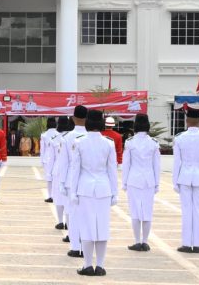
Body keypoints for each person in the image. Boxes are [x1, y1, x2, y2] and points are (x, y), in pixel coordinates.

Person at [70, 110, 117, 276]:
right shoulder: (109, 143)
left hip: (85, 189)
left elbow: (75, 169)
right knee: (102, 227)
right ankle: (101, 266)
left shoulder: (79, 142)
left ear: (88, 123)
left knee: (87, 226)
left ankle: (88, 265)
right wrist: (115, 193)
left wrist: (72, 192)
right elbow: (112, 170)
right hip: (104, 189)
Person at [173, 109, 199, 253]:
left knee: (186, 211)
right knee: (198, 211)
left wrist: (174, 182)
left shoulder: (180, 138)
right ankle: (197, 244)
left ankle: (186, 243)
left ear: (187, 121)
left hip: (184, 176)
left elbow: (177, 162)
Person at [122, 114, 160, 252]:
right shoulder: (154, 142)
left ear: (135, 125)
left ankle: (137, 241)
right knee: (147, 212)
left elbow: (126, 164)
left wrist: (124, 182)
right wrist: (157, 183)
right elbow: (157, 165)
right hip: (149, 180)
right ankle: (145, 241)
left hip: (134, 180)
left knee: (135, 212)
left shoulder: (130, 142)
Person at [60, 105, 88, 256]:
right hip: (87, 180)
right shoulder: (92, 135)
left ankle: (75, 247)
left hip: (71, 180)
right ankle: (86, 247)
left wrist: (62, 182)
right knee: (86, 214)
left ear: (73, 118)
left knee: (72, 213)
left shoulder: (67, 138)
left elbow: (63, 163)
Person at [51, 116, 71, 231]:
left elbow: (53, 157)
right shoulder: (71, 137)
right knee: (67, 198)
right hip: (68, 170)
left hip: (58, 169)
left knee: (58, 197)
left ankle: (60, 222)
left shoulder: (55, 138)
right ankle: (68, 223)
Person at [40, 117, 59, 203]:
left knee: (49, 177)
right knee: (55, 177)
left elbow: (42, 149)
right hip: (57, 158)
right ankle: (55, 195)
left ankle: (50, 196)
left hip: (47, 158)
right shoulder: (58, 134)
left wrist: (42, 160)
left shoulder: (44, 135)